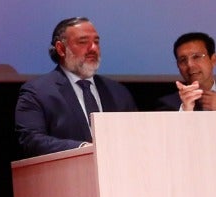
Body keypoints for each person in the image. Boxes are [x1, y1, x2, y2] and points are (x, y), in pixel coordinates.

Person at [13, 16, 138, 156]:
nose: (94, 48)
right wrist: (82, 149)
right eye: (83, 42)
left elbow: (136, 137)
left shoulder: (118, 92)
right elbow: (31, 140)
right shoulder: (38, 92)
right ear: (61, 49)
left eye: (96, 42)